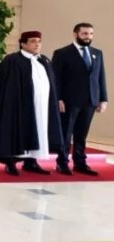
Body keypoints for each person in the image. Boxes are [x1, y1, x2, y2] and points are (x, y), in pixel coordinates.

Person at [0, 31, 66, 176]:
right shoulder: (12, 60)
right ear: (23, 43)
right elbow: (7, 87)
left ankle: (31, 162)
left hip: (42, 107)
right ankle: (11, 162)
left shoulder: (44, 60)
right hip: (19, 106)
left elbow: (52, 83)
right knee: (16, 132)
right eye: (33, 41)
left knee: (39, 131)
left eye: (39, 41)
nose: (37, 44)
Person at [52, 22, 108, 176]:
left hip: (90, 100)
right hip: (69, 101)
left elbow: (100, 77)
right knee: (66, 133)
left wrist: (103, 99)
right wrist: (58, 99)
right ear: (75, 34)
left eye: (90, 34)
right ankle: (62, 163)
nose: (88, 37)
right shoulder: (62, 53)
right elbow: (56, 79)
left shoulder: (97, 53)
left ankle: (80, 163)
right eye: (84, 34)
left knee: (82, 134)